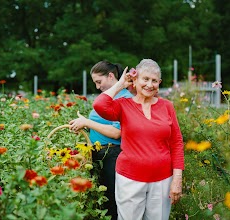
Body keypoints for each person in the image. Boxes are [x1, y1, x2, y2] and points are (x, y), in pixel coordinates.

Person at [92, 59, 184, 220]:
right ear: (135, 80)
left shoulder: (167, 106)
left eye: (154, 80)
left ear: (159, 83)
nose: (150, 84)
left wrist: (177, 179)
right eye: (145, 79)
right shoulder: (123, 105)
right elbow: (99, 105)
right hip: (129, 178)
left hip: (162, 180)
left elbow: (176, 143)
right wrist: (121, 84)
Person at [69, 60, 133, 220]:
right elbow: (101, 125)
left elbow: (116, 133)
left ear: (111, 76)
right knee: (102, 203)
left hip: (112, 155)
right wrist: (84, 126)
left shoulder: (124, 98)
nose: (97, 87)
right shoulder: (109, 97)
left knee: (112, 202)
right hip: (101, 154)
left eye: (99, 81)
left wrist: (87, 122)